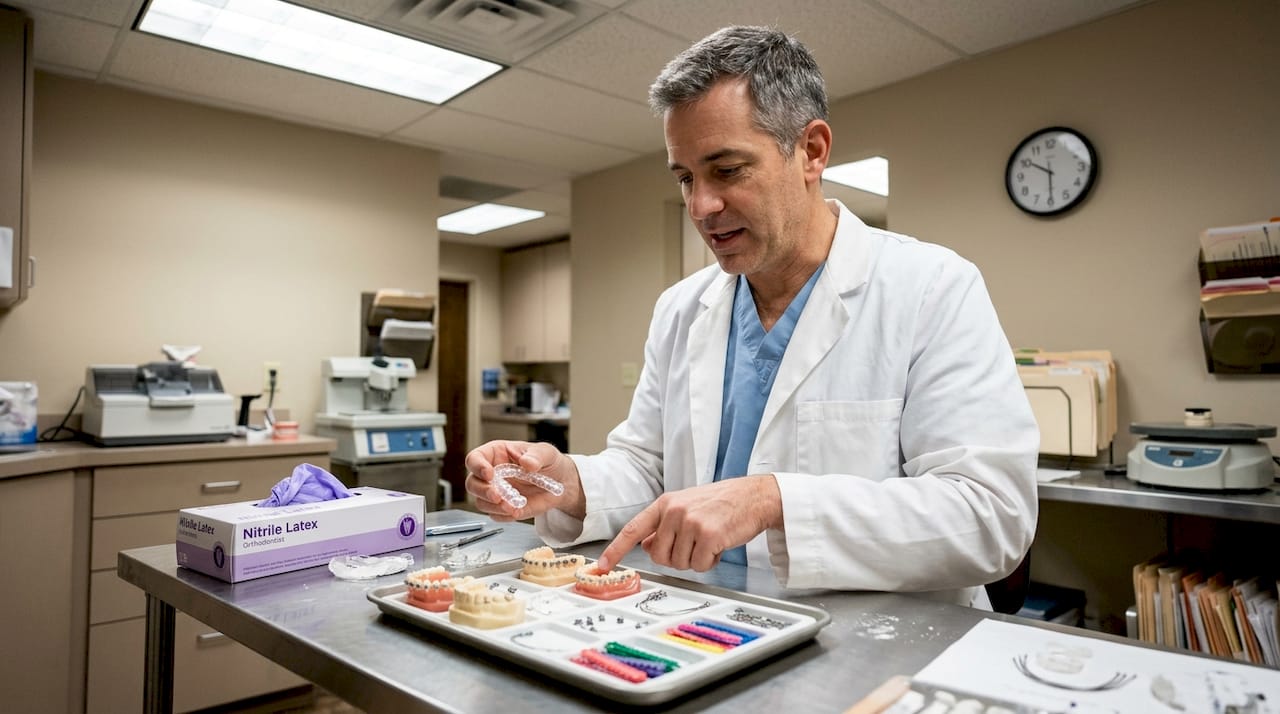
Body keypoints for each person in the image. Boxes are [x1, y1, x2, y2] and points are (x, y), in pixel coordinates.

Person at [465, 25, 1039, 608]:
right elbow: (648, 468)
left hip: (877, 647)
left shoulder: (931, 288)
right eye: (685, 178)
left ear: (811, 151)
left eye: (727, 170)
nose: (701, 207)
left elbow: (992, 515)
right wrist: (570, 483)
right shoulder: (681, 308)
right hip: (706, 624)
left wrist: (773, 500)